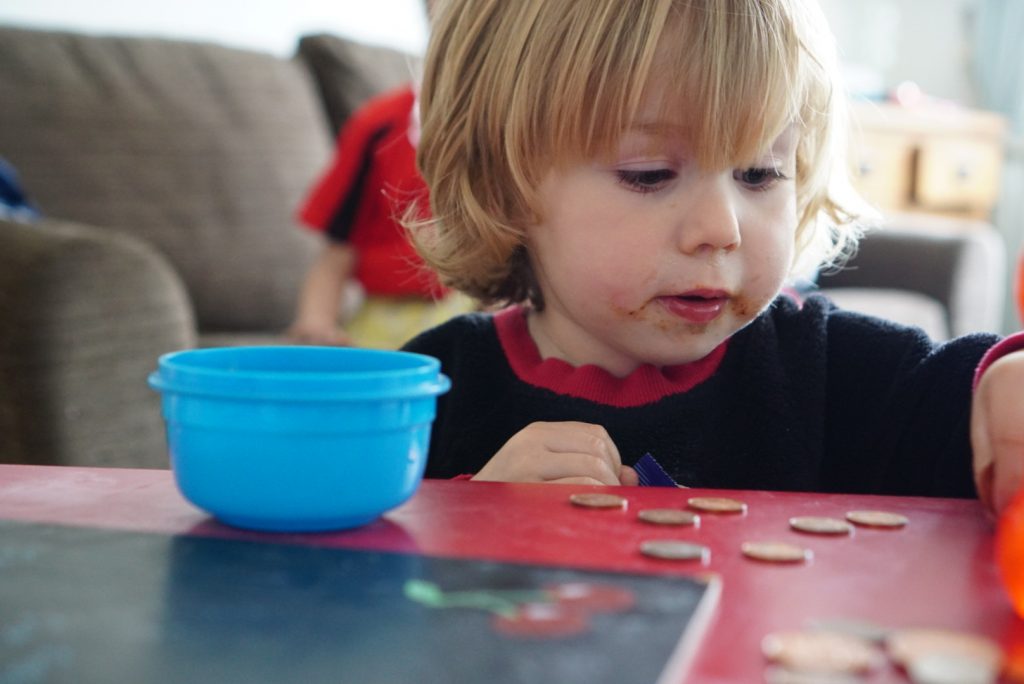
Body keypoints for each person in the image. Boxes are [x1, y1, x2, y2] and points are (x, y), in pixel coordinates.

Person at [401, 0, 1024, 514]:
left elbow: (964, 401)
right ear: (503, 189)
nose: (721, 229)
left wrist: (1002, 383)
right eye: (649, 175)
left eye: (759, 173)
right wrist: (469, 512)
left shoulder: (833, 371)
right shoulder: (427, 393)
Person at [288, 0, 470, 349]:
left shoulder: (528, 130)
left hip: (485, 309)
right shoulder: (377, 126)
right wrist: (316, 321)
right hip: (387, 318)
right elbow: (336, 252)